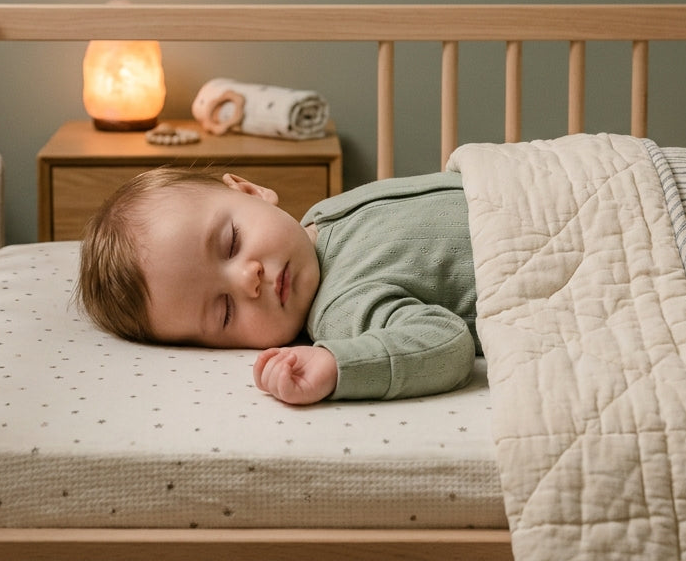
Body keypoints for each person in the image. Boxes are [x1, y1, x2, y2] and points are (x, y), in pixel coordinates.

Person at [76, 166, 478, 405]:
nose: (247, 279)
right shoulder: (342, 312)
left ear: (250, 191)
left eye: (231, 242)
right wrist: (340, 366)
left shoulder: (325, 216)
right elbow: (448, 344)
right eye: (225, 311)